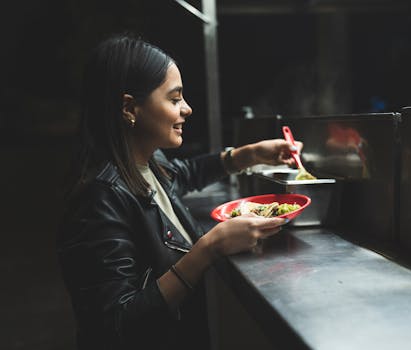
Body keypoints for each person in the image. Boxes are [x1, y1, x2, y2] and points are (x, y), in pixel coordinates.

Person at [57, 34, 300, 350]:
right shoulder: (99, 198)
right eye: (174, 99)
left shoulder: (148, 161)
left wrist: (250, 154)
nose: (186, 109)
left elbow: (186, 174)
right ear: (130, 108)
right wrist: (209, 247)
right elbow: (114, 325)